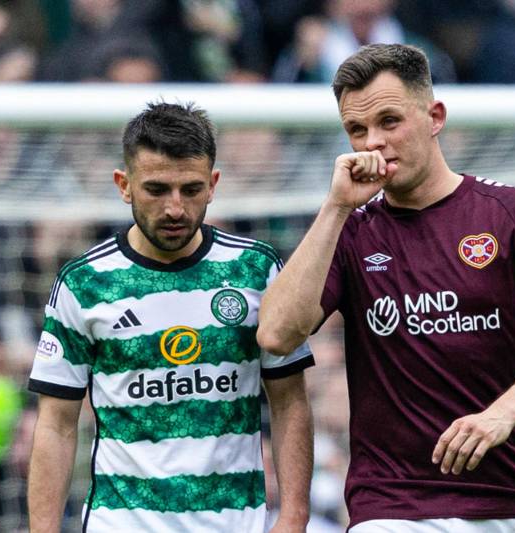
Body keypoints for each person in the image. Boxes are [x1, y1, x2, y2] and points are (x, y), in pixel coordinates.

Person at [257, 43, 515, 532]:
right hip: (392, 510)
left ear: (435, 117)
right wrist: (336, 208)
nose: (373, 142)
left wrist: (501, 415)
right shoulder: (350, 231)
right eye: (357, 130)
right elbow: (276, 335)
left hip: (508, 503)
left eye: (389, 121)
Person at [27, 102, 314, 532]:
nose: (175, 208)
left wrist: (293, 515)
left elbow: (290, 400)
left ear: (213, 185)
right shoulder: (84, 283)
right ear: (124, 185)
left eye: (191, 189)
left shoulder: (256, 270)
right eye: (157, 190)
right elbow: (56, 424)